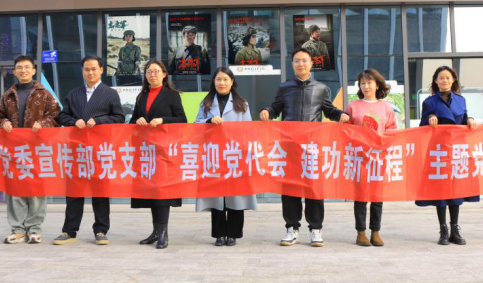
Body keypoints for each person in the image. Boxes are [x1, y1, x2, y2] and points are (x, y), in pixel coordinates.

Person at [260, 48, 350, 247]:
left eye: (304, 60)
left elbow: (329, 110)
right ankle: (291, 228)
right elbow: (275, 108)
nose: (301, 64)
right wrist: (267, 111)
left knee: (313, 188)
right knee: (289, 188)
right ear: (292, 64)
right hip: (289, 146)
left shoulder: (321, 88)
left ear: (311, 63)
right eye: (297, 61)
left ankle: (315, 229)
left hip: (312, 147)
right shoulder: (285, 87)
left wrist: (341, 115)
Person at [53, 56, 125, 246]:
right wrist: (73, 121)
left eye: (94, 69)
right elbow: (62, 116)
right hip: (77, 150)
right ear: (82, 71)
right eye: (87, 69)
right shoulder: (74, 93)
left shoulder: (110, 93)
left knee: (100, 191)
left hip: (100, 151)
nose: (90, 72)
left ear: (101, 70)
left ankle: (101, 230)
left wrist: (99, 121)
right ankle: (69, 231)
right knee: (74, 192)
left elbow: (119, 117)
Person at [0, 55, 60, 244]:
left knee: (36, 189)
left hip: (38, 149)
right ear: (14, 71)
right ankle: (18, 229)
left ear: (33, 70)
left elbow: (56, 116)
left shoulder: (44, 94)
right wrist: (4, 122)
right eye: (20, 67)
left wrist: (43, 123)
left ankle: (34, 229)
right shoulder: (7, 95)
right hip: (14, 149)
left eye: (27, 67)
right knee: (15, 189)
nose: (23, 70)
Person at [415, 65, 478, 246]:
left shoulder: (460, 100)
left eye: (448, 77)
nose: (444, 80)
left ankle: (455, 230)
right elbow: (422, 126)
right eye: (441, 77)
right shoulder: (429, 102)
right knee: (441, 190)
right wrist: (430, 119)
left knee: (456, 189)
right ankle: (443, 229)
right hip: (439, 151)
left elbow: (464, 118)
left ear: (453, 80)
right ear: (436, 81)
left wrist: (470, 119)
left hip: (458, 150)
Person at [195, 67, 257, 246]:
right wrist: (208, 121)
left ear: (232, 82)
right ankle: (219, 234)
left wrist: (247, 154)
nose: (222, 83)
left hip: (235, 155)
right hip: (214, 155)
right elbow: (196, 125)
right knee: (217, 197)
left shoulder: (242, 103)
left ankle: (234, 234)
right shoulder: (206, 103)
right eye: (218, 79)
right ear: (214, 82)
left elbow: (248, 129)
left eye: (225, 79)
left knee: (236, 196)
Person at [130, 60, 187, 249]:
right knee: (151, 192)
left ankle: (163, 233)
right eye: (148, 71)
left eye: (156, 71)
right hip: (146, 152)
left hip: (165, 151)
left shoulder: (171, 95)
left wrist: (163, 120)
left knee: (163, 192)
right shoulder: (142, 96)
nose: (152, 74)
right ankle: (155, 232)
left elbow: (182, 120)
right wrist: (137, 120)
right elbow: (132, 121)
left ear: (164, 74)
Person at [345, 69, 398, 247]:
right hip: (359, 157)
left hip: (378, 158)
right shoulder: (353, 106)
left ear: (377, 85)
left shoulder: (386, 107)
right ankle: (360, 232)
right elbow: (346, 131)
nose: (366, 86)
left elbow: (392, 130)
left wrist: (383, 142)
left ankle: (375, 231)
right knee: (360, 195)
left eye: (369, 83)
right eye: (362, 83)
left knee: (376, 196)